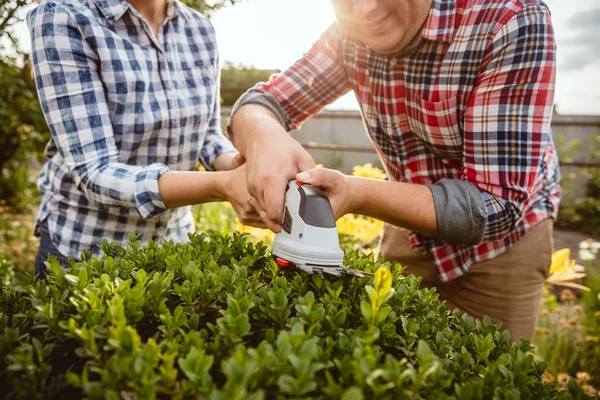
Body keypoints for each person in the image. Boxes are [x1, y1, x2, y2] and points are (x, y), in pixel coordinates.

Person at [227, 0, 561, 340]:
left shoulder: (508, 17)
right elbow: (260, 104)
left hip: (502, 249)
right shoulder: (348, 33)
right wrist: (265, 140)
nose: (364, 10)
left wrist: (355, 194)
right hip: (409, 228)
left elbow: (494, 203)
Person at [27, 0, 260, 278]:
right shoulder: (65, 17)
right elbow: (95, 172)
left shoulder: (199, 28)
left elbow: (206, 137)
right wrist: (223, 185)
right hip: (88, 254)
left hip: (173, 246)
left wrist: (244, 166)